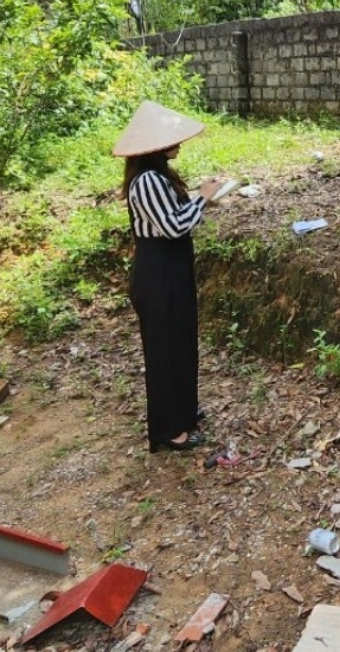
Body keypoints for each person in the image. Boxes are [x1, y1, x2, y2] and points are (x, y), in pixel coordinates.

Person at [113, 101, 224, 453]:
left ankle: (184, 413)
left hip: (171, 266)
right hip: (158, 269)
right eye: (172, 138)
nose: (179, 143)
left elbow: (174, 215)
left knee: (181, 339)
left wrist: (199, 198)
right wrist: (203, 200)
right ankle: (167, 428)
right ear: (155, 146)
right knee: (163, 348)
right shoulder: (146, 181)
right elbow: (174, 226)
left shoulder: (157, 177)